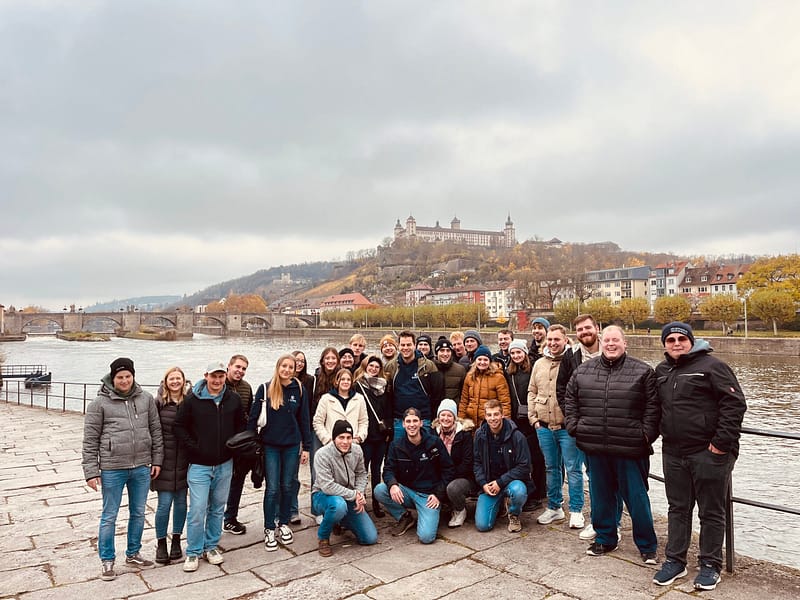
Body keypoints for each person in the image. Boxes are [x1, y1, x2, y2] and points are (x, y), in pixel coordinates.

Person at [652, 323, 747, 590]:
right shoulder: (662, 371)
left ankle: (710, 564)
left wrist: (719, 445)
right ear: (665, 344)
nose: (676, 343)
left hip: (708, 452)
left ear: (691, 341)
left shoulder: (712, 366)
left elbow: (735, 404)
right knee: (678, 508)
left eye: (682, 338)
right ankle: (675, 560)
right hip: (673, 452)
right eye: (670, 339)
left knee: (711, 511)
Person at [564, 326, 660, 563]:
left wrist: (645, 435)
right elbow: (570, 401)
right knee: (601, 497)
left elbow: (653, 408)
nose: (610, 344)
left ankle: (647, 545)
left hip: (630, 448)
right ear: (600, 341)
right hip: (596, 447)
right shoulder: (583, 371)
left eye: (615, 340)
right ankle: (606, 539)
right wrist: (576, 429)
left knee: (637, 499)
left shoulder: (643, 371)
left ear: (624, 343)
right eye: (606, 340)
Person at [82, 357, 163, 581]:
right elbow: (90, 440)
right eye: (120, 377)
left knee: (138, 513)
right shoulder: (98, 404)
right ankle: (107, 560)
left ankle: (133, 553)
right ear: (112, 378)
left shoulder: (146, 399)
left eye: (128, 376)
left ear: (133, 376)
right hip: (112, 468)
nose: (125, 380)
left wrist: (156, 460)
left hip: (141, 467)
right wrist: (91, 471)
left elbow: (156, 431)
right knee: (110, 515)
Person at [174, 361, 245, 572]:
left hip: (224, 463)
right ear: (206, 376)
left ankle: (211, 546)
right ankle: (194, 551)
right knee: (197, 509)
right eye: (213, 376)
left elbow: (241, 425)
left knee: (217, 508)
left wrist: (235, 447)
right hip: (199, 465)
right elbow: (179, 426)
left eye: (221, 376)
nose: (217, 380)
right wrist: (193, 447)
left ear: (225, 377)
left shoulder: (233, 399)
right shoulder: (192, 400)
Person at [248, 355, 311, 552]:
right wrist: (251, 445)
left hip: (291, 445)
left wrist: (307, 447)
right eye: (283, 366)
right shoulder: (265, 388)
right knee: (273, 488)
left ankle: (283, 523)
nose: (286, 369)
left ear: (294, 370)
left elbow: (304, 419)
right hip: (271, 446)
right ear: (278, 367)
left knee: (288, 486)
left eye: (290, 367)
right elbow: (253, 418)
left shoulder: (299, 389)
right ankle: (268, 528)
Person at [527, 325, 585, 528]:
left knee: (573, 469)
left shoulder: (573, 362)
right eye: (549, 340)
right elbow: (532, 391)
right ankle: (554, 507)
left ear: (565, 340)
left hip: (566, 426)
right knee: (551, 468)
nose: (552, 343)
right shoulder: (539, 364)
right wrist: (533, 418)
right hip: (543, 425)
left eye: (556, 340)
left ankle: (576, 510)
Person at [555, 313, 604, 542]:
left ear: (597, 328)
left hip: (609, 426)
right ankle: (597, 520)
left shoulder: (611, 349)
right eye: (580, 330)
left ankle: (606, 521)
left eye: (588, 328)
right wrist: (572, 420)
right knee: (590, 473)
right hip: (583, 427)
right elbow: (562, 390)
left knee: (606, 476)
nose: (585, 332)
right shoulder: (571, 357)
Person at [373, 407, 454, 544]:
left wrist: (439, 495)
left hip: (429, 496)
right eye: (408, 421)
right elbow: (388, 469)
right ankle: (404, 517)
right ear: (403, 424)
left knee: (426, 537)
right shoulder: (396, 445)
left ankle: (436, 511)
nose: (412, 425)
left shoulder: (434, 442)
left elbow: (449, 469)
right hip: (407, 491)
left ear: (421, 423)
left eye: (415, 421)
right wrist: (393, 485)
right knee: (380, 490)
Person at [311, 420, 378, 556]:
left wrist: (359, 493)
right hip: (323, 496)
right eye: (341, 437)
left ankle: (340, 520)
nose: (345, 442)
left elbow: (361, 473)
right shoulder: (322, 454)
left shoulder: (357, 450)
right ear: (334, 438)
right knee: (338, 505)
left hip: (349, 495)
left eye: (348, 437)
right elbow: (327, 486)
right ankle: (323, 537)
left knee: (370, 538)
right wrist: (354, 495)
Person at [473, 399, 531, 533]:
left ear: (502, 415)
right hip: (490, 484)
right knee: (483, 526)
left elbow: (524, 466)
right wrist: (483, 483)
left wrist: (500, 482)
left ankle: (514, 514)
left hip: (511, 482)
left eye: (496, 414)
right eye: (489, 415)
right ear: (485, 416)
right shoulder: (479, 435)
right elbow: (477, 462)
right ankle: (498, 505)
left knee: (519, 491)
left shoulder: (517, 436)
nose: (493, 418)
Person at [152, 366, 189, 565]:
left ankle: (176, 540)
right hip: (164, 460)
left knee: (182, 503)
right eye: (171, 379)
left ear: (183, 381)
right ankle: (160, 543)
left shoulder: (189, 402)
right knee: (164, 504)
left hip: (184, 459)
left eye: (178, 378)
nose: (175, 382)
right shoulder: (158, 403)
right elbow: (153, 432)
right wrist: (155, 459)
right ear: (166, 382)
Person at [504, 338, 547, 511]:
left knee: (537, 458)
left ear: (525, 353)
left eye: (518, 352)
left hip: (532, 419)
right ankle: (527, 491)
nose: (516, 356)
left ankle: (538, 493)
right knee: (521, 459)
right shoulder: (509, 372)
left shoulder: (533, 369)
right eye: (513, 353)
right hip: (516, 421)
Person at [353, 355, 393, 517]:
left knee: (377, 470)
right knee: (361, 471)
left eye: (377, 367)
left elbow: (389, 410)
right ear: (365, 367)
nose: (374, 369)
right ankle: (359, 501)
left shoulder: (385, 387)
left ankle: (376, 503)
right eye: (371, 366)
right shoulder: (358, 386)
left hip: (381, 436)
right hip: (365, 435)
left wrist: (388, 429)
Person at [383, 330, 443, 439]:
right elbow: (387, 394)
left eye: (409, 344)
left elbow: (437, 394)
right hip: (399, 419)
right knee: (400, 452)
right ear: (398, 346)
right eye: (403, 345)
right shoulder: (390, 367)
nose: (405, 348)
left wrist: (433, 417)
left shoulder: (428, 366)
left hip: (423, 418)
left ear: (414, 345)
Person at [222, 354, 254, 536]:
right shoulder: (218, 383)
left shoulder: (246, 388)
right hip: (220, 441)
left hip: (240, 442)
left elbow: (249, 413)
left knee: (237, 480)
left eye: (243, 369)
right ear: (229, 366)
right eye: (238, 367)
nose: (240, 371)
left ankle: (230, 517)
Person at [432, 399, 475, 528]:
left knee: (452, 488)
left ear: (455, 418)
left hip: (462, 476)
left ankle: (460, 510)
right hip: (441, 475)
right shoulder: (433, 433)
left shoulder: (464, 435)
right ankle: (443, 505)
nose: (445, 418)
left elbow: (467, 463)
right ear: (438, 416)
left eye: (449, 415)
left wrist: (448, 477)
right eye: (443, 415)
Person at [289, 349, 316, 524]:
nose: (299, 363)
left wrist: (306, 441)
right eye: (296, 361)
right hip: (285, 433)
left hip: (301, 430)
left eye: (302, 361)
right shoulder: (279, 382)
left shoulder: (309, 381)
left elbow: (307, 410)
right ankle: (283, 510)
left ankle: (293, 510)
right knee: (286, 476)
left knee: (294, 476)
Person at [313, 368, 369, 446]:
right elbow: (318, 422)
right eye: (342, 379)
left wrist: (359, 437)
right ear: (337, 381)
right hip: (331, 445)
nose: (345, 382)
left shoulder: (359, 399)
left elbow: (363, 421)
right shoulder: (326, 398)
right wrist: (327, 439)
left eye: (348, 379)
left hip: (352, 444)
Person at [459, 345, 511, 426]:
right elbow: (464, 401)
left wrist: (506, 422)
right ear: (475, 361)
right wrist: (460, 421)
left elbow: (505, 402)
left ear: (489, 361)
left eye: (485, 360)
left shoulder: (498, 377)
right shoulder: (469, 377)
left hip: (490, 421)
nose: (482, 362)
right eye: (479, 359)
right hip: (471, 421)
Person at [311, 348, 340, 484]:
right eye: (327, 358)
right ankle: (316, 501)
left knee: (335, 467)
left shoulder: (342, 378)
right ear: (322, 361)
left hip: (336, 428)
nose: (330, 361)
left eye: (333, 358)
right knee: (316, 467)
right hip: (318, 427)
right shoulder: (315, 379)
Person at [433, 336, 466, 401]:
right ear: (437, 353)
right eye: (442, 351)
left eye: (448, 351)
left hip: (454, 409)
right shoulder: (430, 368)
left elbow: (464, 394)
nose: (445, 354)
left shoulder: (460, 370)